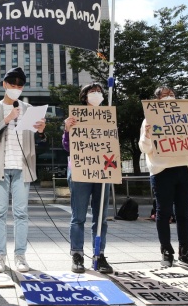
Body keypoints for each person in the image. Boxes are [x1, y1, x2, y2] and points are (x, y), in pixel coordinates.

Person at [139, 86, 188, 271]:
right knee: (164, 213)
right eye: (164, 95)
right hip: (162, 171)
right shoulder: (149, 119)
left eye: (172, 95)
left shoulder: (186, 117)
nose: (169, 98)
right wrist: (147, 135)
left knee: (183, 214)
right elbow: (144, 148)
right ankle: (166, 251)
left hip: (185, 169)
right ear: (156, 100)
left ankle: (185, 253)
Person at [0, 67, 46, 273]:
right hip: (0, 168)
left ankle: (20, 256)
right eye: (13, 84)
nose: (16, 88)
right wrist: (7, 118)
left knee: (21, 213)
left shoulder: (29, 108)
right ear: (4, 84)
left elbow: (39, 140)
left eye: (20, 85)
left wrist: (40, 131)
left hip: (22, 168)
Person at [62, 82, 113, 274]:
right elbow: (67, 147)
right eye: (92, 92)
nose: (96, 94)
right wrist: (67, 129)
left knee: (101, 218)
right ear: (84, 97)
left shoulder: (108, 116)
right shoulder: (75, 118)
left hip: (103, 170)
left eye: (99, 91)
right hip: (80, 170)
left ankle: (99, 255)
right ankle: (77, 254)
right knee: (79, 216)